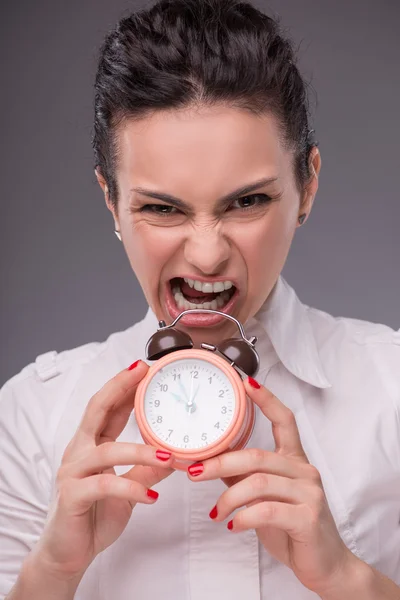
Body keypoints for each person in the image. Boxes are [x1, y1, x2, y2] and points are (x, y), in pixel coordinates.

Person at [1, 0, 399, 598]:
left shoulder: (392, 388)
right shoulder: (30, 418)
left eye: (248, 202)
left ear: (307, 187)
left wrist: (347, 580)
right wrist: (53, 572)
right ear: (112, 202)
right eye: (161, 208)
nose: (207, 256)